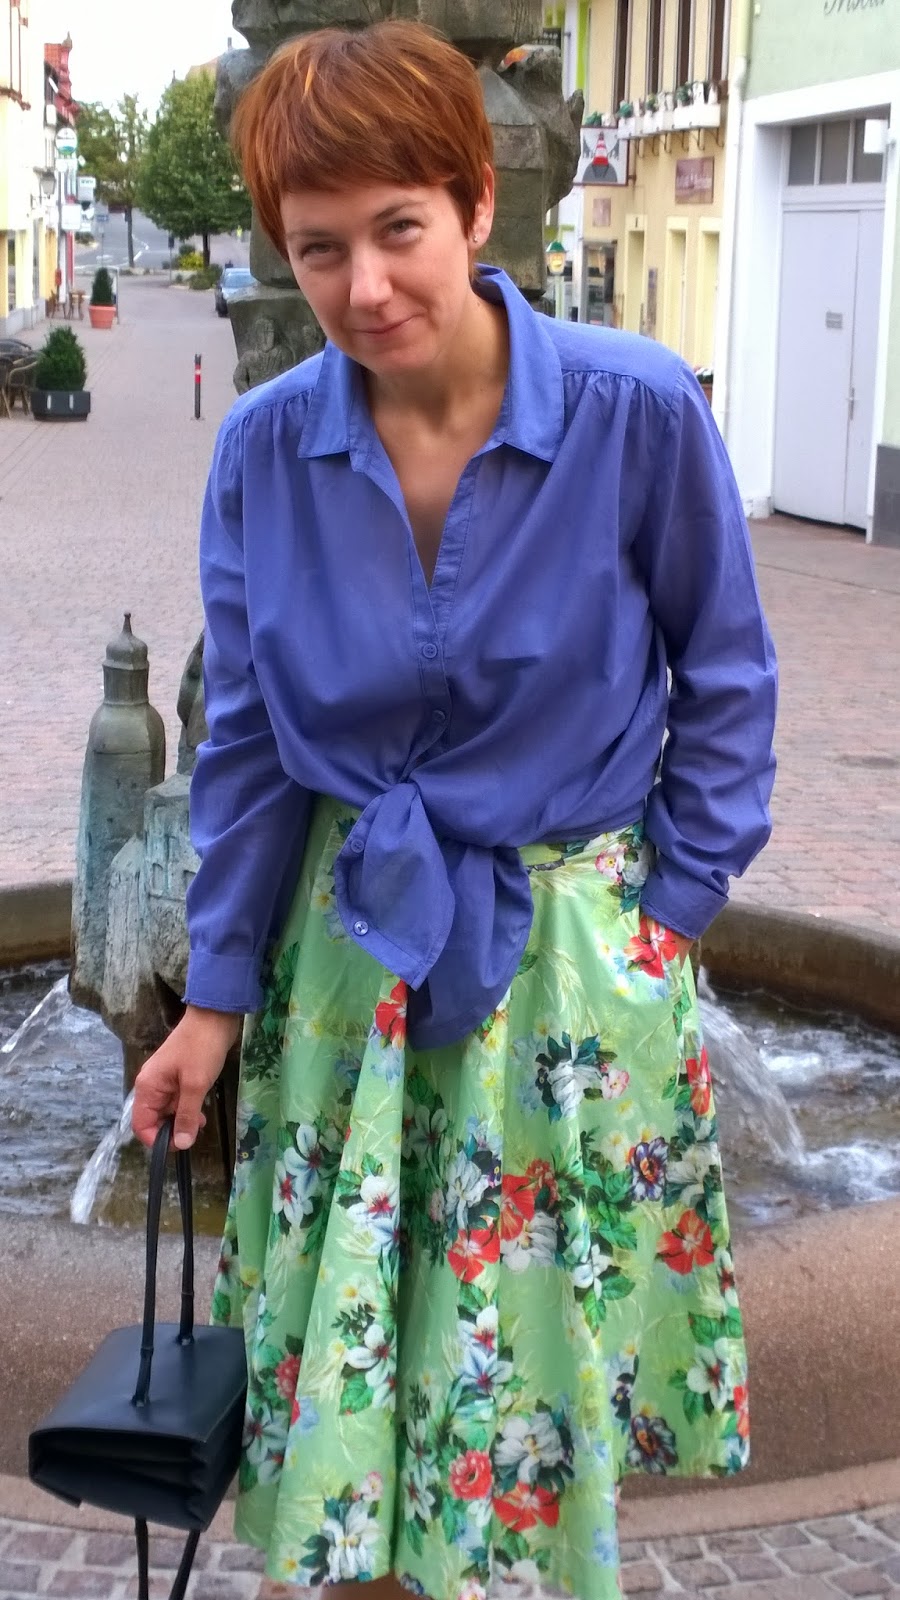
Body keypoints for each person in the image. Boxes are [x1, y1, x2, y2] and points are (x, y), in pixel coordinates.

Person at [131, 20, 777, 1600]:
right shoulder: (265, 452)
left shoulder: (635, 413)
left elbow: (728, 675)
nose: (365, 287)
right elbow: (251, 749)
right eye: (319, 247)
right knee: (351, 1401)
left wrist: (668, 919)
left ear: (478, 204)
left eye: (399, 228)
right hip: (347, 970)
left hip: (567, 979)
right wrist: (212, 999)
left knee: (532, 1409)